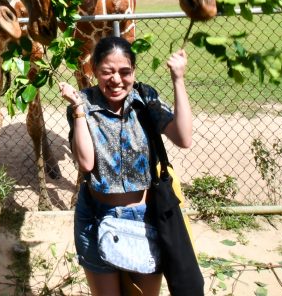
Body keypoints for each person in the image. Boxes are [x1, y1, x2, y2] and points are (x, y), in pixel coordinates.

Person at [58, 36, 194, 295]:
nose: (116, 80)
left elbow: (183, 138)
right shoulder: (82, 103)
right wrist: (76, 109)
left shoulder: (146, 99)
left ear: (133, 71)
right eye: (107, 72)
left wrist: (178, 79)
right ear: (95, 70)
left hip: (142, 218)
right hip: (95, 215)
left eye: (125, 72)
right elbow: (86, 163)